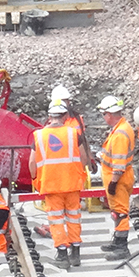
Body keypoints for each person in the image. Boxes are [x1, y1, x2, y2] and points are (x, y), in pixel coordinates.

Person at [29, 102, 90, 267]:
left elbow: (32, 162)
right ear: (65, 117)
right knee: (74, 217)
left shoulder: (39, 136)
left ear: (49, 117)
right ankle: (76, 253)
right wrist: (79, 175)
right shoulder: (73, 133)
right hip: (72, 184)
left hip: (50, 185)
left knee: (56, 220)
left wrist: (36, 180)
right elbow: (84, 159)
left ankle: (63, 255)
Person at [96, 95, 135, 258]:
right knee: (117, 211)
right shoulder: (121, 128)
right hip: (119, 178)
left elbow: (118, 164)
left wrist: (113, 182)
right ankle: (118, 241)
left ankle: (122, 247)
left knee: (120, 213)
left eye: (104, 114)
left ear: (109, 114)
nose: (104, 117)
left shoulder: (120, 134)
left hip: (118, 179)